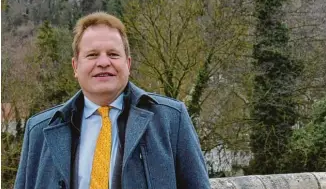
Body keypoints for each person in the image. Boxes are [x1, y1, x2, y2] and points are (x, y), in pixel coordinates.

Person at [14, 12, 211, 189]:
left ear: (128, 63)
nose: (103, 62)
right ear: (75, 66)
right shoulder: (39, 130)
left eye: (113, 54)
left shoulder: (171, 120)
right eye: (92, 55)